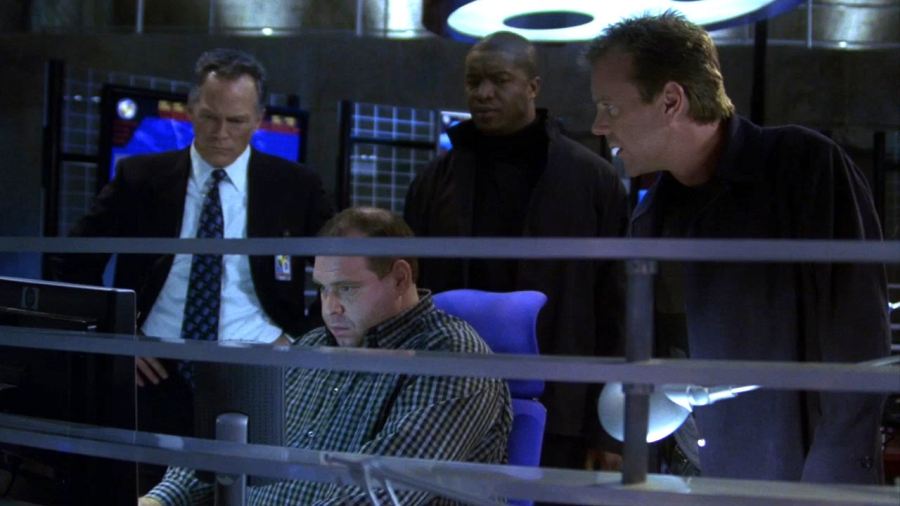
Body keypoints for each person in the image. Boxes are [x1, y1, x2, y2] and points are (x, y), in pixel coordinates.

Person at [586, 12, 889, 483]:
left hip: (798, 479)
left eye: (610, 107)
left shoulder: (804, 167)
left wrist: (830, 483)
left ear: (671, 101)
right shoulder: (652, 218)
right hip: (698, 476)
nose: (598, 126)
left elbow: (857, 340)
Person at [48, 49, 332, 444]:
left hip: (259, 362)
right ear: (191, 108)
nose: (221, 133)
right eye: (210, 117)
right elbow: (72, 260)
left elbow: (345, 268)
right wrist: (117, 335)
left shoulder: (296, 186)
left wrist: (302, 342)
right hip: (152, 366)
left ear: (258, 119)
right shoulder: (139, 178)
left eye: (236, 121)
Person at [140, 207, 513, 505]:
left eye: (346, 289)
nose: (330, 307)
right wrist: (159, 500)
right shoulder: (311, 347)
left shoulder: (452, 362)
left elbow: (381, 494)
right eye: (322, 289)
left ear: (400, 278)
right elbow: (227, 447)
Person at [404, 31, 629, 470]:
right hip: (451, 404)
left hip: (561, 406)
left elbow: (616, 307)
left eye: (499, 80)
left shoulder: (591, 180)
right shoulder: (434, 182)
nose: (483, 93)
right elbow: (410, 297)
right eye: (474, 82)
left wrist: (611, 431)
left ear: (532, 86)